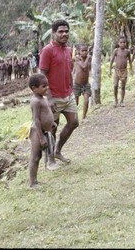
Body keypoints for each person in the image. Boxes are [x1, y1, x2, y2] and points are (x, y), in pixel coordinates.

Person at [39, 19, 79, 166]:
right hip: (53, 97)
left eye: (66, 31)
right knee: (52, 128)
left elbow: (68, 72)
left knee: (74, 122)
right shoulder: (47, 51)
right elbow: (42, 75)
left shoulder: (68, 50)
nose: (64, 34)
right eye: (61, 31)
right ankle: (50, 159)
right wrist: (48, 97)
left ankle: (57, 151)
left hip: (68, 95)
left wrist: (72, 90)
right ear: (54, 33)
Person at [28, 73, 59, 189]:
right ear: (34, 88)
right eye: (43, 86)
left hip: (44, 131)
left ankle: (35, 181)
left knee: (39, 156)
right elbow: (36, 119)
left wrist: (52, 123)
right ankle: (33, 183)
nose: (47, 88)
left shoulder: (43, 98)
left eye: (47, 85)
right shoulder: (36, 101)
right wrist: (40, 137)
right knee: (35, 157)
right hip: (37, 132)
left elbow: (46, 114)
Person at [108, 36, 133, 107]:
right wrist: (109, 70)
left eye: (124, 42)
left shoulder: (127, 51)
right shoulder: (116, 50)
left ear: (126, 43)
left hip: (124, 71)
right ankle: (116, 100)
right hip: (117, 70)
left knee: (123, 86)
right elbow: (111, 61)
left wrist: (131, 69)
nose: (122, 44)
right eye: (121, 42)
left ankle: (122, 101)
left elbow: (130, 61)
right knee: (115, 85)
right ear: (118, 43)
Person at [73, 44, 92, 120]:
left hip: (85, 84)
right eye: (82, 51)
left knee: (86, 100)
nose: (84, 52)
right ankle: (74, 117)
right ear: (79, 52)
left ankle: (84, 117)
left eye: (86, 51)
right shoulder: (77, 58)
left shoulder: (88, 59)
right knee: (75, 103)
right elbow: (84, 67)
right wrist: (88, 58)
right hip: (77, 84)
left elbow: (88, 68)